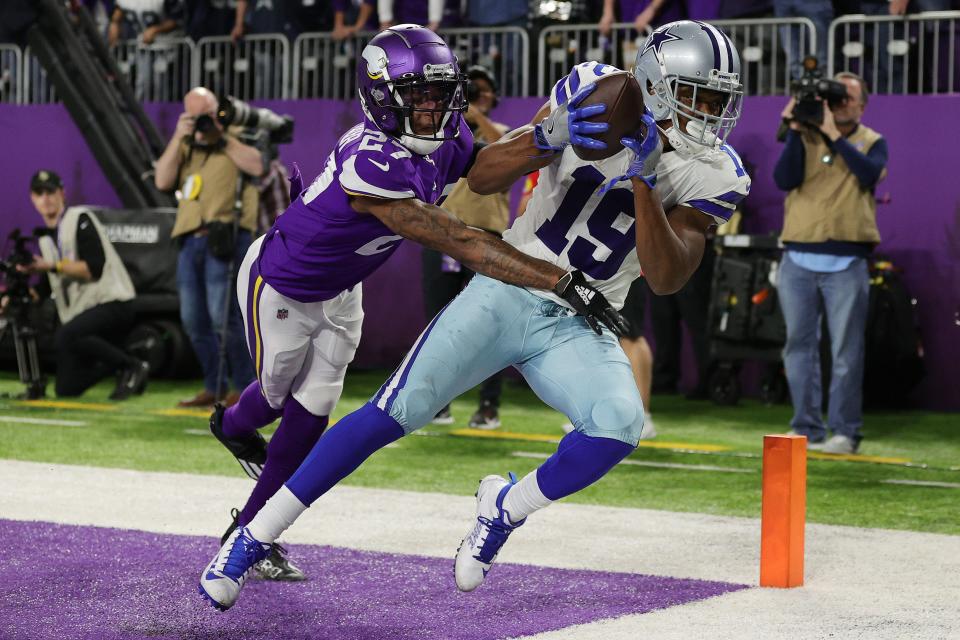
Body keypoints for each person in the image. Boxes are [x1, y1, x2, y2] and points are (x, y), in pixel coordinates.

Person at [198, 20, 749, 610]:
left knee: (619, 425)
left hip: (584, 317)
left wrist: (643, 183)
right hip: (507, 290)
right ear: (657, 84)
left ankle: (504, 507)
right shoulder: (593, 88)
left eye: (721, 99)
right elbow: (483, 173)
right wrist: (548, 135)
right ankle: (253, 537)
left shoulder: (719, 172)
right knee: (392, 413)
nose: (713, 114)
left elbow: (666, 278)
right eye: (700, 95)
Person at [773, 72, 887, 455]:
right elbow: (783, 179)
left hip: (847, 261)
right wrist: (793, 126)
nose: (840, 102)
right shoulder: (803, 136)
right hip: (797, 258)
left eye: (848, 97)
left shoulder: (873, 142)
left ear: (862, 105)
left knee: (845, 352)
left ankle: (844, 431)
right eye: (834, 96)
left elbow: (869, 174)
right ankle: (806, 426)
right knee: (798, 347)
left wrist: (832, 135)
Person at [154, 86, 263, 408]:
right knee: (193, 320)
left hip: (226, 237)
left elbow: (258, 166)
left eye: (206, 114)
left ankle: (243, 387)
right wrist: (178, 136)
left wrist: (220, 137)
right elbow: (162, 179)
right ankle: (213, 386)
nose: (202, 122)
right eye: (194, 116)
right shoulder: (185, 145)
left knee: (223, 317)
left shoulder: (238, 133)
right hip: (189, 239)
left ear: (218, 111)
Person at [423, 65, 510, 429]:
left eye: (484, 91)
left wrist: (476, 114)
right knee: (440, 321)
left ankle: (488, 405)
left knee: (488, 324)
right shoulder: (449, 134)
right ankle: (437, 401)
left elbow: (504, 154)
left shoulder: (503, 134)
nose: (478, 97)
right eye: (472, 91)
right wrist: (462, 115)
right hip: (445, 234)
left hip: (488, 236)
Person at [19, 170, 149, 399]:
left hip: (112, 303)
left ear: (62, 193)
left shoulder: (80, 218)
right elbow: (41, 288)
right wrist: (14, 291)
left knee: (65, 336)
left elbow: (93, 268)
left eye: (50, 192)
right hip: (82, 314)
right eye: (39, 193)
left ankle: (131, 365)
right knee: (66, 389)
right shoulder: (45, 239)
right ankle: (122, 359)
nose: (45, 198)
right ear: (32, 198)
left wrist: (52, 265)